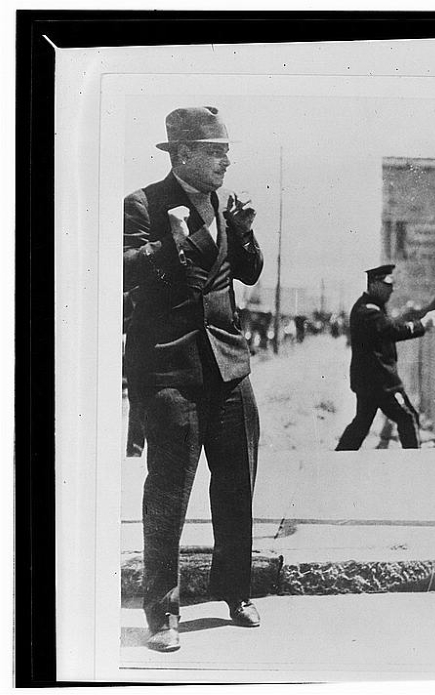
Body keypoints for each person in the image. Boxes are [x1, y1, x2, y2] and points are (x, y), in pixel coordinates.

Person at [123, 106, 264, 652]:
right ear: (182, 155)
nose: (226, 159)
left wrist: (244, 233)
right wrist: (173, 240)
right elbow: (126, 266)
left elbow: (245, 273)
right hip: (169, 367)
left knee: (236, 484)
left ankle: (236, 592)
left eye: (226, 149)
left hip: (228, 366)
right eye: (216, 150)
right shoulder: (144, 204)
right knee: (167, 493)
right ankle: (162, 614)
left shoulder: (225, 207)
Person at [335, 265, 435, 450]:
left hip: (370, 380)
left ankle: (337, 459)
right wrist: (423, 325)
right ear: (375, 284)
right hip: (381, 382)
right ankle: (415, 464)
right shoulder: (368, 311)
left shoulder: (369, 307)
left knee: (361, 425)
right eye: (388, 284)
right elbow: (391, 330)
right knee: (408, 418)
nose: (392, 289)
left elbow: (390, 325)